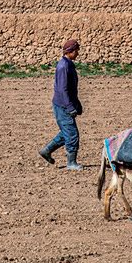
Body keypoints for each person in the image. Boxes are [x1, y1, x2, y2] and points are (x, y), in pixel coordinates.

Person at [39, 38, 83, 170]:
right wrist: (70, 107)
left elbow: (71, 89)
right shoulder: (63, 66)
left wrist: (77, 104)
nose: (77, 53)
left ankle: (46, 151)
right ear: (70, 51)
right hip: (62, 106)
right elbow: (62, 89)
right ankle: (71, 163)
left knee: (66, 132)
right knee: (72, 134)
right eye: (76, 51)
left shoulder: (68, 64)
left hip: (65, 104)